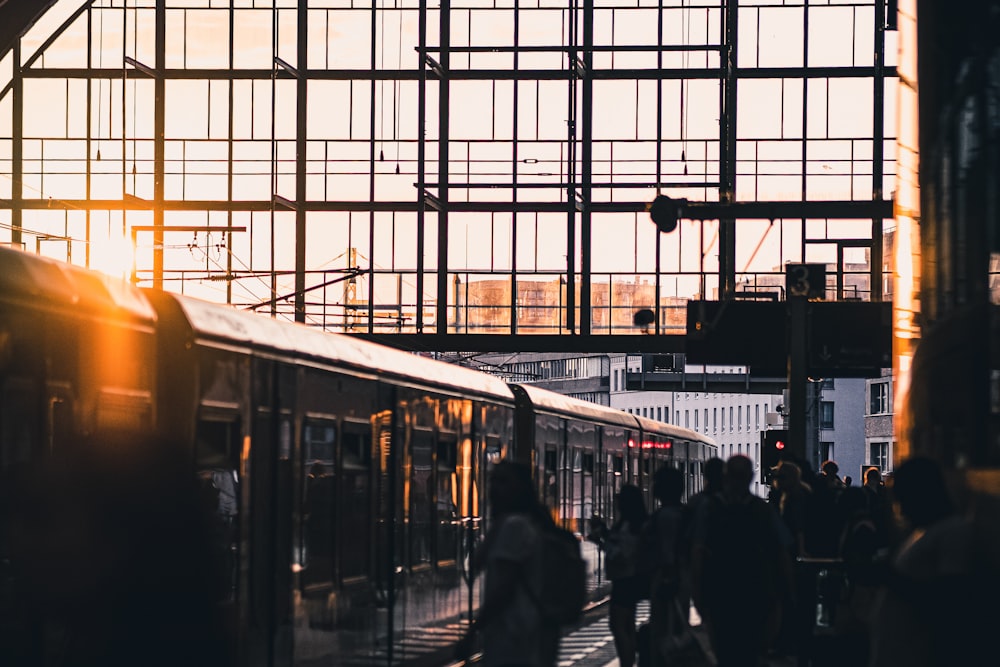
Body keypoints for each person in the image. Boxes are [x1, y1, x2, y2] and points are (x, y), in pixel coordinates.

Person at [692, 455, 792, 667]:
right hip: (756, 588)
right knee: (751, 651)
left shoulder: (710, 509)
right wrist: (785, 589)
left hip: (720, 589)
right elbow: (781, 550)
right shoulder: (762, 510)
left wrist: (698, 592)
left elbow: (698, 551)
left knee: (724, 651)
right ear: (751, 477)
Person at [455, 460, 558, 667]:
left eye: (503, 481)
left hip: (514, 636)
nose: (494, 487)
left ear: (519, 488)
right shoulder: (518, 523)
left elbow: (504, 587)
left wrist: (474, 629)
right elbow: (477, 561)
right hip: (522, 636)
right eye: (492, 480)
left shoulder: (515, 527)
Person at [590, 485, 649, 667]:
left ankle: (627, 660)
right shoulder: (636, 523)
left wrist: (602, 540)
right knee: (627, 623)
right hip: (628, 578)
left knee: (618, 624)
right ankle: (628, 659)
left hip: (625, 579)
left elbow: (622, 553)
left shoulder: (630, 526)